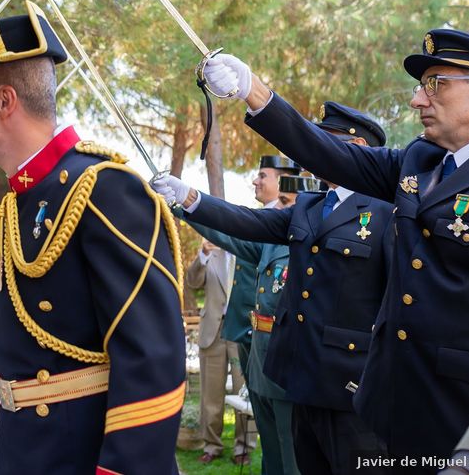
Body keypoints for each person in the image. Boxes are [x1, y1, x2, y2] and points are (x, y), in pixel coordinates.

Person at [200, 28, 469, 464]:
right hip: (393, 408)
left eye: (435, 85)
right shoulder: (421, 162)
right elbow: (330, 155)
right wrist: (252, 91)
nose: (418, 100)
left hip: (463, 422)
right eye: (419, 87)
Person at [0, 1, 186, 474]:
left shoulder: (102, 188)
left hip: (86, 457)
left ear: (5, 101)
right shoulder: (19, 201)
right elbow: (44, 347)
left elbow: (152, 356)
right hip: (29, 451)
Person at [157, 103, 395, 474]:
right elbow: (249, 222)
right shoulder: (312, 206)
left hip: (354, 387)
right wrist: (190, 198)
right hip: (301, 380)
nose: (309, 150)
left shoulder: (387, 210)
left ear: (358, 147)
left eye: (322, 141)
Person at [157, 168, 303, 475]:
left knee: (293, 453)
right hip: (262, 356)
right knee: (273, 453)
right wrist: (183, 203)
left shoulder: (313, 231)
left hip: (293, 359)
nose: (284, 207)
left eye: (289, 200)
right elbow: (232, 231)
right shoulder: (274, 235)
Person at [185, 239, 255, 465]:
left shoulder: (247, 249)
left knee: (244, 390)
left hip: (242, 331)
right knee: (210, 394)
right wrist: (202, 255)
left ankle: (244, 447)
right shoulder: (208, 255)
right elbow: (192, 281)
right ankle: (212, 445)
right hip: (212, 332)